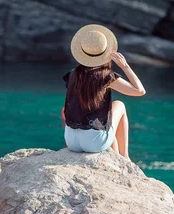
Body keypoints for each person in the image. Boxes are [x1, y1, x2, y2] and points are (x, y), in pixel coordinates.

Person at [61, 23, 145, 159]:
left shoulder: (72, 74)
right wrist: (125, 66)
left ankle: (118, 156)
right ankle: (124, 157)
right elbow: (139, 91)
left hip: (71, 141)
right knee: (120, 106)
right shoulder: (106, 77)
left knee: (107, 121)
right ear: (106, 53)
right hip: (94, 142)